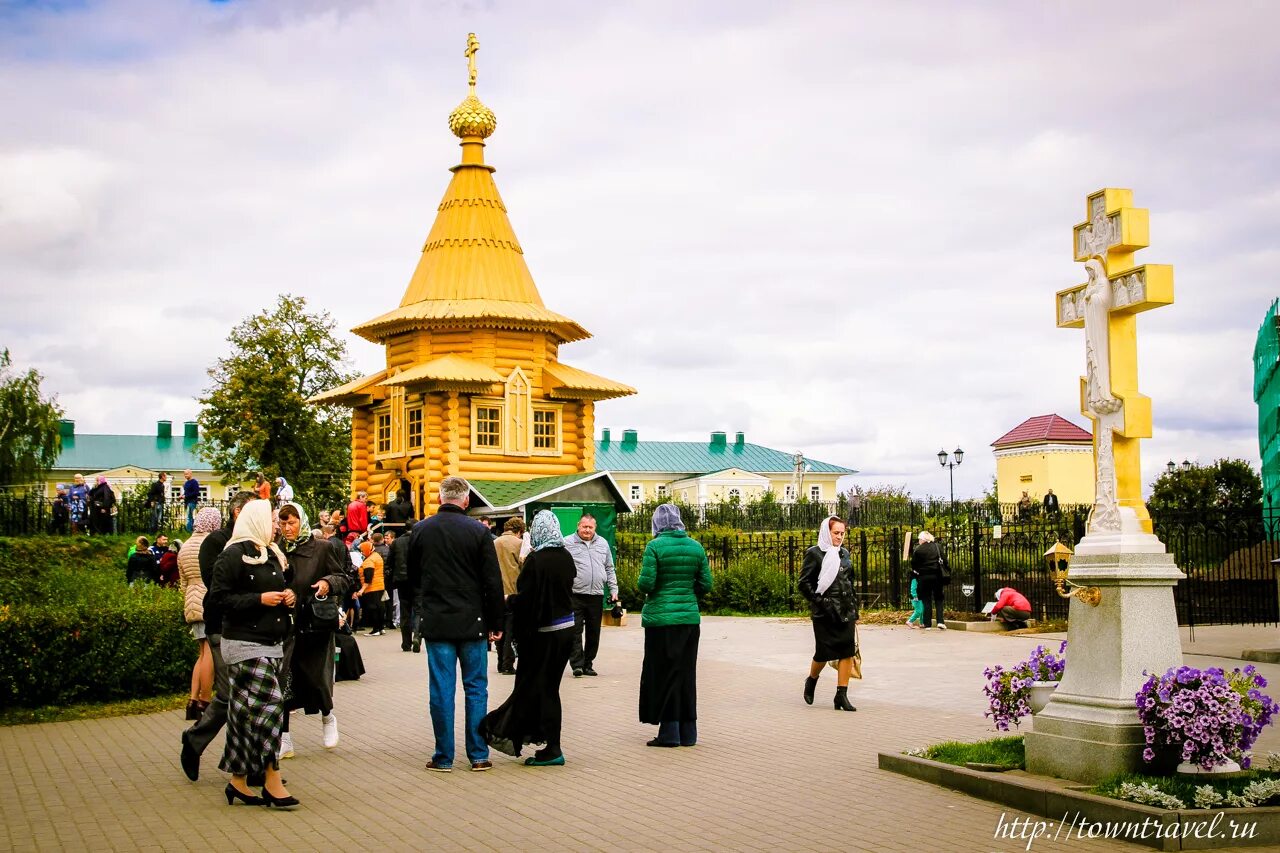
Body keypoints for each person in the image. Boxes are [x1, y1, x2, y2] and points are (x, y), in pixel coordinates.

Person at [408, 475, 504, 773]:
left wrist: (421, 611)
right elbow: (492, 581)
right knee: (476, 687)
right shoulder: (479, 532)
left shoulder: (421, 530)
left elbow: (413, 577)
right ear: (466, 501)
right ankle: (478, 754)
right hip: (473, 621)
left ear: (440, 498)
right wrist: (496, 621)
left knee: (441, 688)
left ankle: (443, 756)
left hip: (437, 621)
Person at [207, 498, 298, 808]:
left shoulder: (270, 554)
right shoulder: (232, 555)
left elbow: (282, 587)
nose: (278, 525)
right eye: (273, 519)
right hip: (244, 643)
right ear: (256, 520)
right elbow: (218, 600)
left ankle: (238, 781)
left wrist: (288, 596)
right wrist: (260, 599)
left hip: (271, 642)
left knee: (243, 715)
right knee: (272, 706)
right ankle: (272, 778)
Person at [479, 510, 576, 766]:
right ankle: (549, 742)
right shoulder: (566, 557)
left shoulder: (537, 560)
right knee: (550, 688)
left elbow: (529, 600)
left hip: (544, 636)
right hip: (567, 631)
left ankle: (552, 748)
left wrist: (509, 600)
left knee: (542, 689)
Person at [180, 490, 256, 783]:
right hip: (222, 627)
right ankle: (197, 740)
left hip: (251, 628)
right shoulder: (217, 542)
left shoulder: (254, 542)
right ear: (238, 513)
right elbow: (218, 586)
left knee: (248, 695)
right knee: (229, 693)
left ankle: (255, 764)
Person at [277, 501, 348, 759]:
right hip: (285, 625)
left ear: (302, 521)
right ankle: (284, 737)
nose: (287, 528)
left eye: (292, 522)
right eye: (283, 523)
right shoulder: (277, 549)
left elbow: (343, 577)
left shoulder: (322, 548)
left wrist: (327, 583)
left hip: (314, 623)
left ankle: (328, 717)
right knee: (284, 679)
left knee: (318, 676)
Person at [638, 504, 712, 747]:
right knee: (685, 674)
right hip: (689, 620)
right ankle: (689, 733)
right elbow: (706, 584)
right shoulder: (696, 546)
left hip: (661, 622)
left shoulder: (655, 546)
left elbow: (646, 584)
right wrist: (689, 595)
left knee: (664, 674)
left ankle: (669, 733)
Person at [798, 515, 859, 712]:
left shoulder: (845, 553)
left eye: (842, 533)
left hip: (845, 610)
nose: (840, 537)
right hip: (825, 613)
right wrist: (821, 602)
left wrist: (854, 607)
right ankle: (812, 679)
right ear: (827, 532)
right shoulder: (814, 554)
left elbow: (849, 581)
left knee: (847, 652)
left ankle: (841, 694)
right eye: (836, 533)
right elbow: (804, 583)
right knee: (823, 654)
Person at [563, 513, 619, 677]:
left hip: (596, 595)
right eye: (584, 526)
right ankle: (577, 665)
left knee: (594, 633)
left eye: (590, 527)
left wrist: (614, 589)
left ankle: (588, 664)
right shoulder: (567, 543)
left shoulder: (602, 543)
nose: (587, 530)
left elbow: (609, 567)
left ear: (595, 528)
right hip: (575, 594)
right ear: (578, 526)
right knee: (575, 632)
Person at [181, 507, 221, 721]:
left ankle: (192, 700)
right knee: (211, 654)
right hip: (207, 599)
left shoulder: (185, 545)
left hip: (191, 602)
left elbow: (182, 581)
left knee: (201, 653)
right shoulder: (211, 543)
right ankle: (205, 701)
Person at [493, 517, 525, 674]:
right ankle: (508, 663)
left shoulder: (494, 543)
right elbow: (523, 567)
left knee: (499, 627)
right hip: (512, 592)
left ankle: (499, 662)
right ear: (519, 531)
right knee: (511, 630)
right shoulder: (519, 544)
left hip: (496, 593)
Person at [910, 531, 947, 631]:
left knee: (926, 599)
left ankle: (927, 624)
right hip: (937, 576)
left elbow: (914, 565)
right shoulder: (937, 547)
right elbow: (944, 560)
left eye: (919, 539)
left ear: (923, 539)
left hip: (924, 577)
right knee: (939, 599)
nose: (919, 541)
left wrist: (918, 573)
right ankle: (940, 621)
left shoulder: (918, 550)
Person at [387, 525, 415, 652]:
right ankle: (418, 635)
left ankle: (406, 643)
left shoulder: (396, 542)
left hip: (401, 580)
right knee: (420, 609)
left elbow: (390, 562)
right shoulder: (419, 539)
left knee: (405, 611)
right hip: (418, 580)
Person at [356, 539, 386, 636]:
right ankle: (381, 628)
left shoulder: (369, 561)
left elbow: (368, 578)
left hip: (372, 588)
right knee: (380, 607)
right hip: (380, 586)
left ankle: (376, 629)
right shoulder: (377, 556)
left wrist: (362, 590)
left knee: (373, 608)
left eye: (362, 550)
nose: (362, 553)